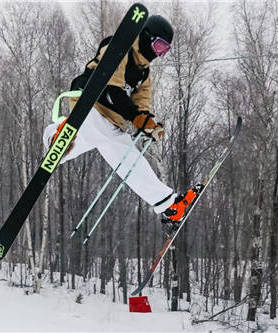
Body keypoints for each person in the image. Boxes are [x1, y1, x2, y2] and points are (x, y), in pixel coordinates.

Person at [43, 15, 202, 224]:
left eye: (164, 50)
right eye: (158, 46)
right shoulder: (118, 47)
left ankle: (58, 139)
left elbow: (142, 105)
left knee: (120, 152)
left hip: (110, 122)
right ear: (146, 37)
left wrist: (149, 125)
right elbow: (112, 90)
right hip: (90, 102)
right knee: (112, 143)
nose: (158, 53)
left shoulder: (144, 74)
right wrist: (137, 119)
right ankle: (58, 136)